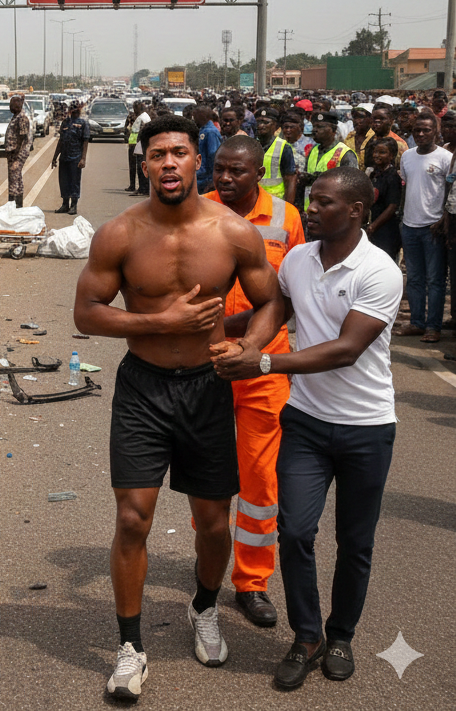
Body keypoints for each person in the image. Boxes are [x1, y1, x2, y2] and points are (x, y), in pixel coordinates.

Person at [73, 114, 283, 700]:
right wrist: (157, 321)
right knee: (133, 518)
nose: (169, 162)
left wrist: (249, 347)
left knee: (214, 522)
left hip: (208, 388)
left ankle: (204, 608)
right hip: (144, 388)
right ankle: (131, 646)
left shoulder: (234, 232)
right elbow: (87, 312)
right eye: (158, 153)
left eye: (180, 153)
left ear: (198, 161)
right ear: (144, 164)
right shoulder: (119, 233)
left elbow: (273, 301)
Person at [211, 167, 403, 691]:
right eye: (311, 200)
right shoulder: (297, 258)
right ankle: (307, 636)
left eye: (322, 203)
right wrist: (213, 329)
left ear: (357, 212)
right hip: (308, 423)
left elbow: (345, 350)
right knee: (295, 531)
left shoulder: (379, 271)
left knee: (355, 542)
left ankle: (341, 636)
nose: (309, 209)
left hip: (366, 427)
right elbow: (275, 311)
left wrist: (265, 366)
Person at [207, 136, 303, 628]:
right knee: (209, 477)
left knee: (261, 479)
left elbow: (294, 290)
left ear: (257, 173)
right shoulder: (197, 212)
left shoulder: (286, 218)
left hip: (265, 368)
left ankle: (252, 582)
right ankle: (208, 573)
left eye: (236, 171)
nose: (225, 178)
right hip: (207, 364)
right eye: (219, 169)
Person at [394, 111, 449, 341]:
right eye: (417, 130)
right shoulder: (407, 156)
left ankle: (433, 327)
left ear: (436, 132)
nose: (421, 134)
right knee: (414, 278)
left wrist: (443, 219)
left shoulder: (445, 158)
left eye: (426, 130)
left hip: (433, 227)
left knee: (435, 280)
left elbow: (450, 192)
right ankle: (417, 322)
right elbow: (407, 186)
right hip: (410, 225)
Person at [299, 112, 357, 211]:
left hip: (332, 211)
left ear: (333, 130)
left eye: (320, 127)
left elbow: (350, 186)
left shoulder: (345, 153)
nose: (314, 130)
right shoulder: (313, 150)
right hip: (311, 209)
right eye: (314, 127)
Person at [365, 138, 402, 260]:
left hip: (386, 229)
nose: (377, 155)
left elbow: (392, 206)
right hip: (372, 226)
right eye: (375, 152)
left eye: (382, 152)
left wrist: (373, 226)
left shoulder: (392, 177)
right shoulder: (373, 173)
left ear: (391, 156)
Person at [253, 106, 297, 206]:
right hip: (254, 201)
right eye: (259, 122)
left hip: (276, 202)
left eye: (266, 122)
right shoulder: (250, 145)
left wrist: (289, 207)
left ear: (275, 126)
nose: (261, 125)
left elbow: (290, 179)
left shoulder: (284, 148)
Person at [52, 99, 90, 215]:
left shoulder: (83, 123)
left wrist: (83, 158)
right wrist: (54, 157)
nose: (74, 111)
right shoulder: (65, 122)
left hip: (75, 158)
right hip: (64, 157)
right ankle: (65, 204)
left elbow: (85, 141)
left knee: (74, 182)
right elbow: (60, 141)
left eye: (76, 109)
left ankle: (74, 205)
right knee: (64, 182)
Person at [281, 110, 314, 212]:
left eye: (292, 127)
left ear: (300, 128)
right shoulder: (279, 144)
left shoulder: (310, 145)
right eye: (286, 127)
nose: (288, 130)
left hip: (304, 191)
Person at [4, 94, 32, 208]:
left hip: (17, 154)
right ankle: (18, 206)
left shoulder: (21, 118)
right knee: (17, 179)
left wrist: (16, 158)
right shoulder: (17, 116)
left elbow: (22, 138)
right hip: (13, 154)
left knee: (14, 180)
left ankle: (14, 206)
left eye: (12, 105)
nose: (10, 107)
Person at [191, 106, 222, 194]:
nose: (194, 120)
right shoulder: (203, 130)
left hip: (206, 179)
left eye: (195, 117)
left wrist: (213, 180)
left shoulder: (210, 132)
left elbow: (214, 156)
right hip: (199, 177)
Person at [129, 104, 151, 196]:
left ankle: (144, 189)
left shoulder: (143, 118)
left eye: (135, 108)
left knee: (141, 168)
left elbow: (141, 133)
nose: (134, 111)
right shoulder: (142, 117)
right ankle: (142, 188)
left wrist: (136, 143)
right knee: (140, 168)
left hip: (140, 145)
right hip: (138, 145)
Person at [125, 102, 143, 192]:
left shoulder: (142, 117)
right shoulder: (131, 116)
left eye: (137, 107)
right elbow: (125, 127)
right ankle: (132, 185)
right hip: (132, 143)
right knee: (132, 166)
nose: (136, 109)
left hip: (139, 144)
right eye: (135, 107)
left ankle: (141, 186)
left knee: (140, 166)